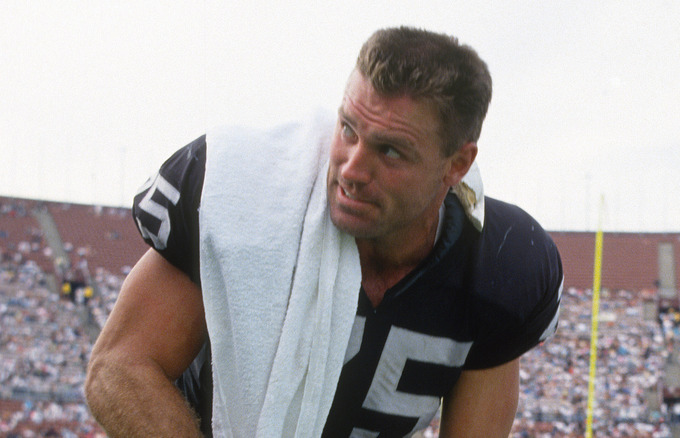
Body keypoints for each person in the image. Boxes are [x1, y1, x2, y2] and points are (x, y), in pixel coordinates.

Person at [85, 26, 563, 437]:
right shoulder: (243, 199)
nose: (352, 169)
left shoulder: (500, 266)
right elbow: (119, 367)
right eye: (349, 130)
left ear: (456, 164)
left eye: (391, 151)